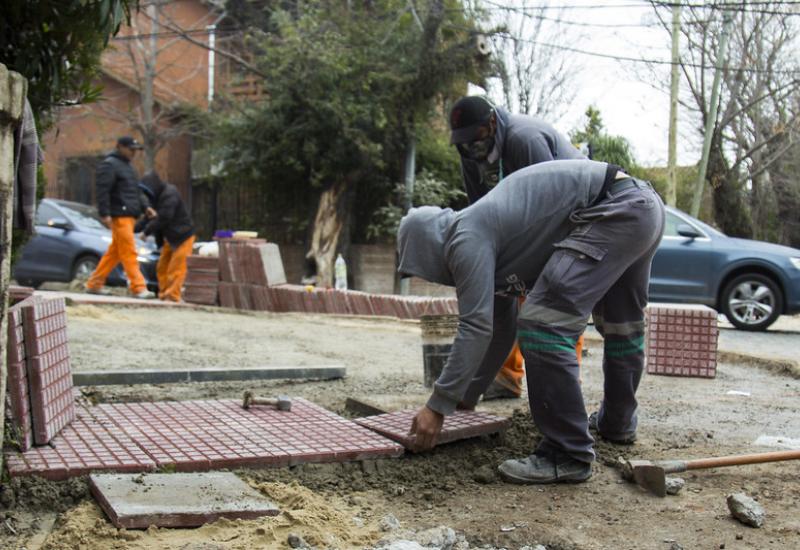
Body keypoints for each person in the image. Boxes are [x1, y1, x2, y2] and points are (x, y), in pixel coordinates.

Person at [400, 159, 665, 484]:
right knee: (621, 325)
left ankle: (566, 453)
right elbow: (498, 330)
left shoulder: (463, 236)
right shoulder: (486, 235)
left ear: (426, 250)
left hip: (614, 208)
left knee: (543, 322)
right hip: (641, 208)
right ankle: (618, 424)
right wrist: (465, 397)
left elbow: (475, 327)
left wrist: (437, 407)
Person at [449, 95, 586, 400]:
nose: (471, 147)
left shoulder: (525, 139)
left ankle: (563, 381)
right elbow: (478, 211)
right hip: (519, 224)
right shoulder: (470, 155)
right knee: (500, 292)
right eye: (463, 142)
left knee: (553, 297)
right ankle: (506, 377)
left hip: (572, 217)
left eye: (476, 137)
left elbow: (554, 200)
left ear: (493, 123)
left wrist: (534, 262)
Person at [86, 136, 156, 298]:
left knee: (115, 253)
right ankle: (138, 287)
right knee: (129, 251)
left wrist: (146, 207)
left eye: (135, 150)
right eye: (131, 149)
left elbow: (136, 191)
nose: (134, 153)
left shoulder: (128, 167)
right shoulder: (109, 165)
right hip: (119, 215)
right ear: (120, 147)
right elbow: (102, 191)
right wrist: (105, 214)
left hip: (129, 215)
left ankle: (94, 284)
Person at [137, 172, 196, 302]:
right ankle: (163, 293)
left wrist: (145, 232)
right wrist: (134, 230)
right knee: (162, 267)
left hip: (183, 236)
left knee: (176, 268)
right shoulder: (156, 197)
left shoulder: (170, 194)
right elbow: (150, 217)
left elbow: (164, 217)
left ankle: (173, 295)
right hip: (170, 238)